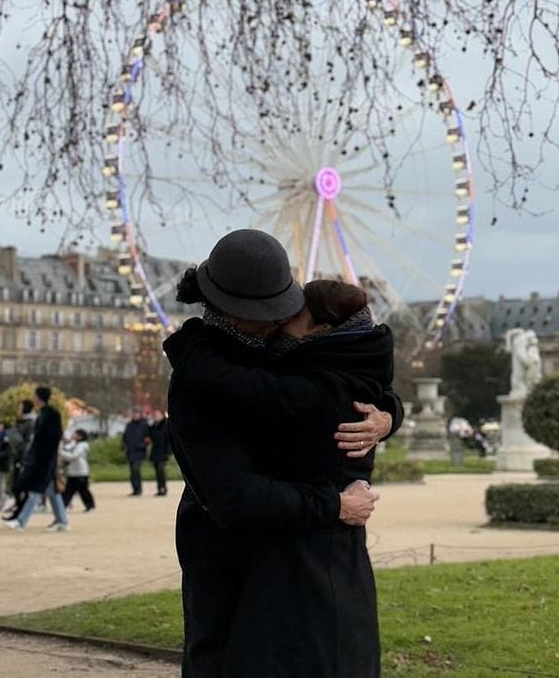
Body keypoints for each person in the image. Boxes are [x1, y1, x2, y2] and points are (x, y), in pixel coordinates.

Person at [163, 230, 403, 676]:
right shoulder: (202, 382)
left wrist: (387, 415)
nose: (284, 319)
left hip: (319, 562)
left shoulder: (282, 349)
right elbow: (234, 498)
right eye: (268, 313)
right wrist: (334, 504)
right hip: (241, 570)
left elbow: (349, 382)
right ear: (234, 316)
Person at [4, 386, 69, 531]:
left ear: (39, 398)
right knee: (52, 491)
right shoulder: (46, 414)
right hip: (45, 457)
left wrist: (40, 455)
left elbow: (50, 438)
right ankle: (62, 520)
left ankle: (21, 521)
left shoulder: (49, 415)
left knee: (35, 489)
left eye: (35, 396)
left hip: (43, 458)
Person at [2, 400, 35, 521]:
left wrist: (12, 434)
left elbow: (26, 442)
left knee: (22, 487)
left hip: (25, 459)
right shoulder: (19, 423)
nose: (17, 410)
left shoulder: (30, 423)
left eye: (20, 407)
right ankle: (19, 511)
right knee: (17, 487)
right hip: (18, 457)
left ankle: (20, 514)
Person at [60, 429, 95, 512]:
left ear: (80, 436)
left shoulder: (83, 445)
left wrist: (60, 453)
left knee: (83, 491)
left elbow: (74, 455)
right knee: (68, 491)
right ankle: (62, 507)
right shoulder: (73, 444)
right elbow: (66, 448)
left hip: (81, 472)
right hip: (72, 472)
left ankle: (90, 505)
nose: (73, 436)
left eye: (75, 434)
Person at [122, 407, 150, 496]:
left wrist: (143, 445)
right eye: (134, 414)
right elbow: (125, 437)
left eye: (137, 413)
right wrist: (124, 446)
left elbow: (148, 438)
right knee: (132, 471)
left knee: (136, 469)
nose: (135, 415)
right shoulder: (129, 425)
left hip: (139, 451)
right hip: (130, 451)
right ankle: (134, 489)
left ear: (140, 414)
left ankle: (139, 489)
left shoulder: (144, 425)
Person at [148, 410, 170, 496]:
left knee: (161, 470)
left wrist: (168, 452)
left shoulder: (166, 425)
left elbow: (168, 440)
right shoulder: (153, 426)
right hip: (155, 452)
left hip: (163, 452)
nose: (156, 416)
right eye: (155, 415)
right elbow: (149, 436)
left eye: (158, 415)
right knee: (157, 471)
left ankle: (163, 487)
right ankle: (159, 488)